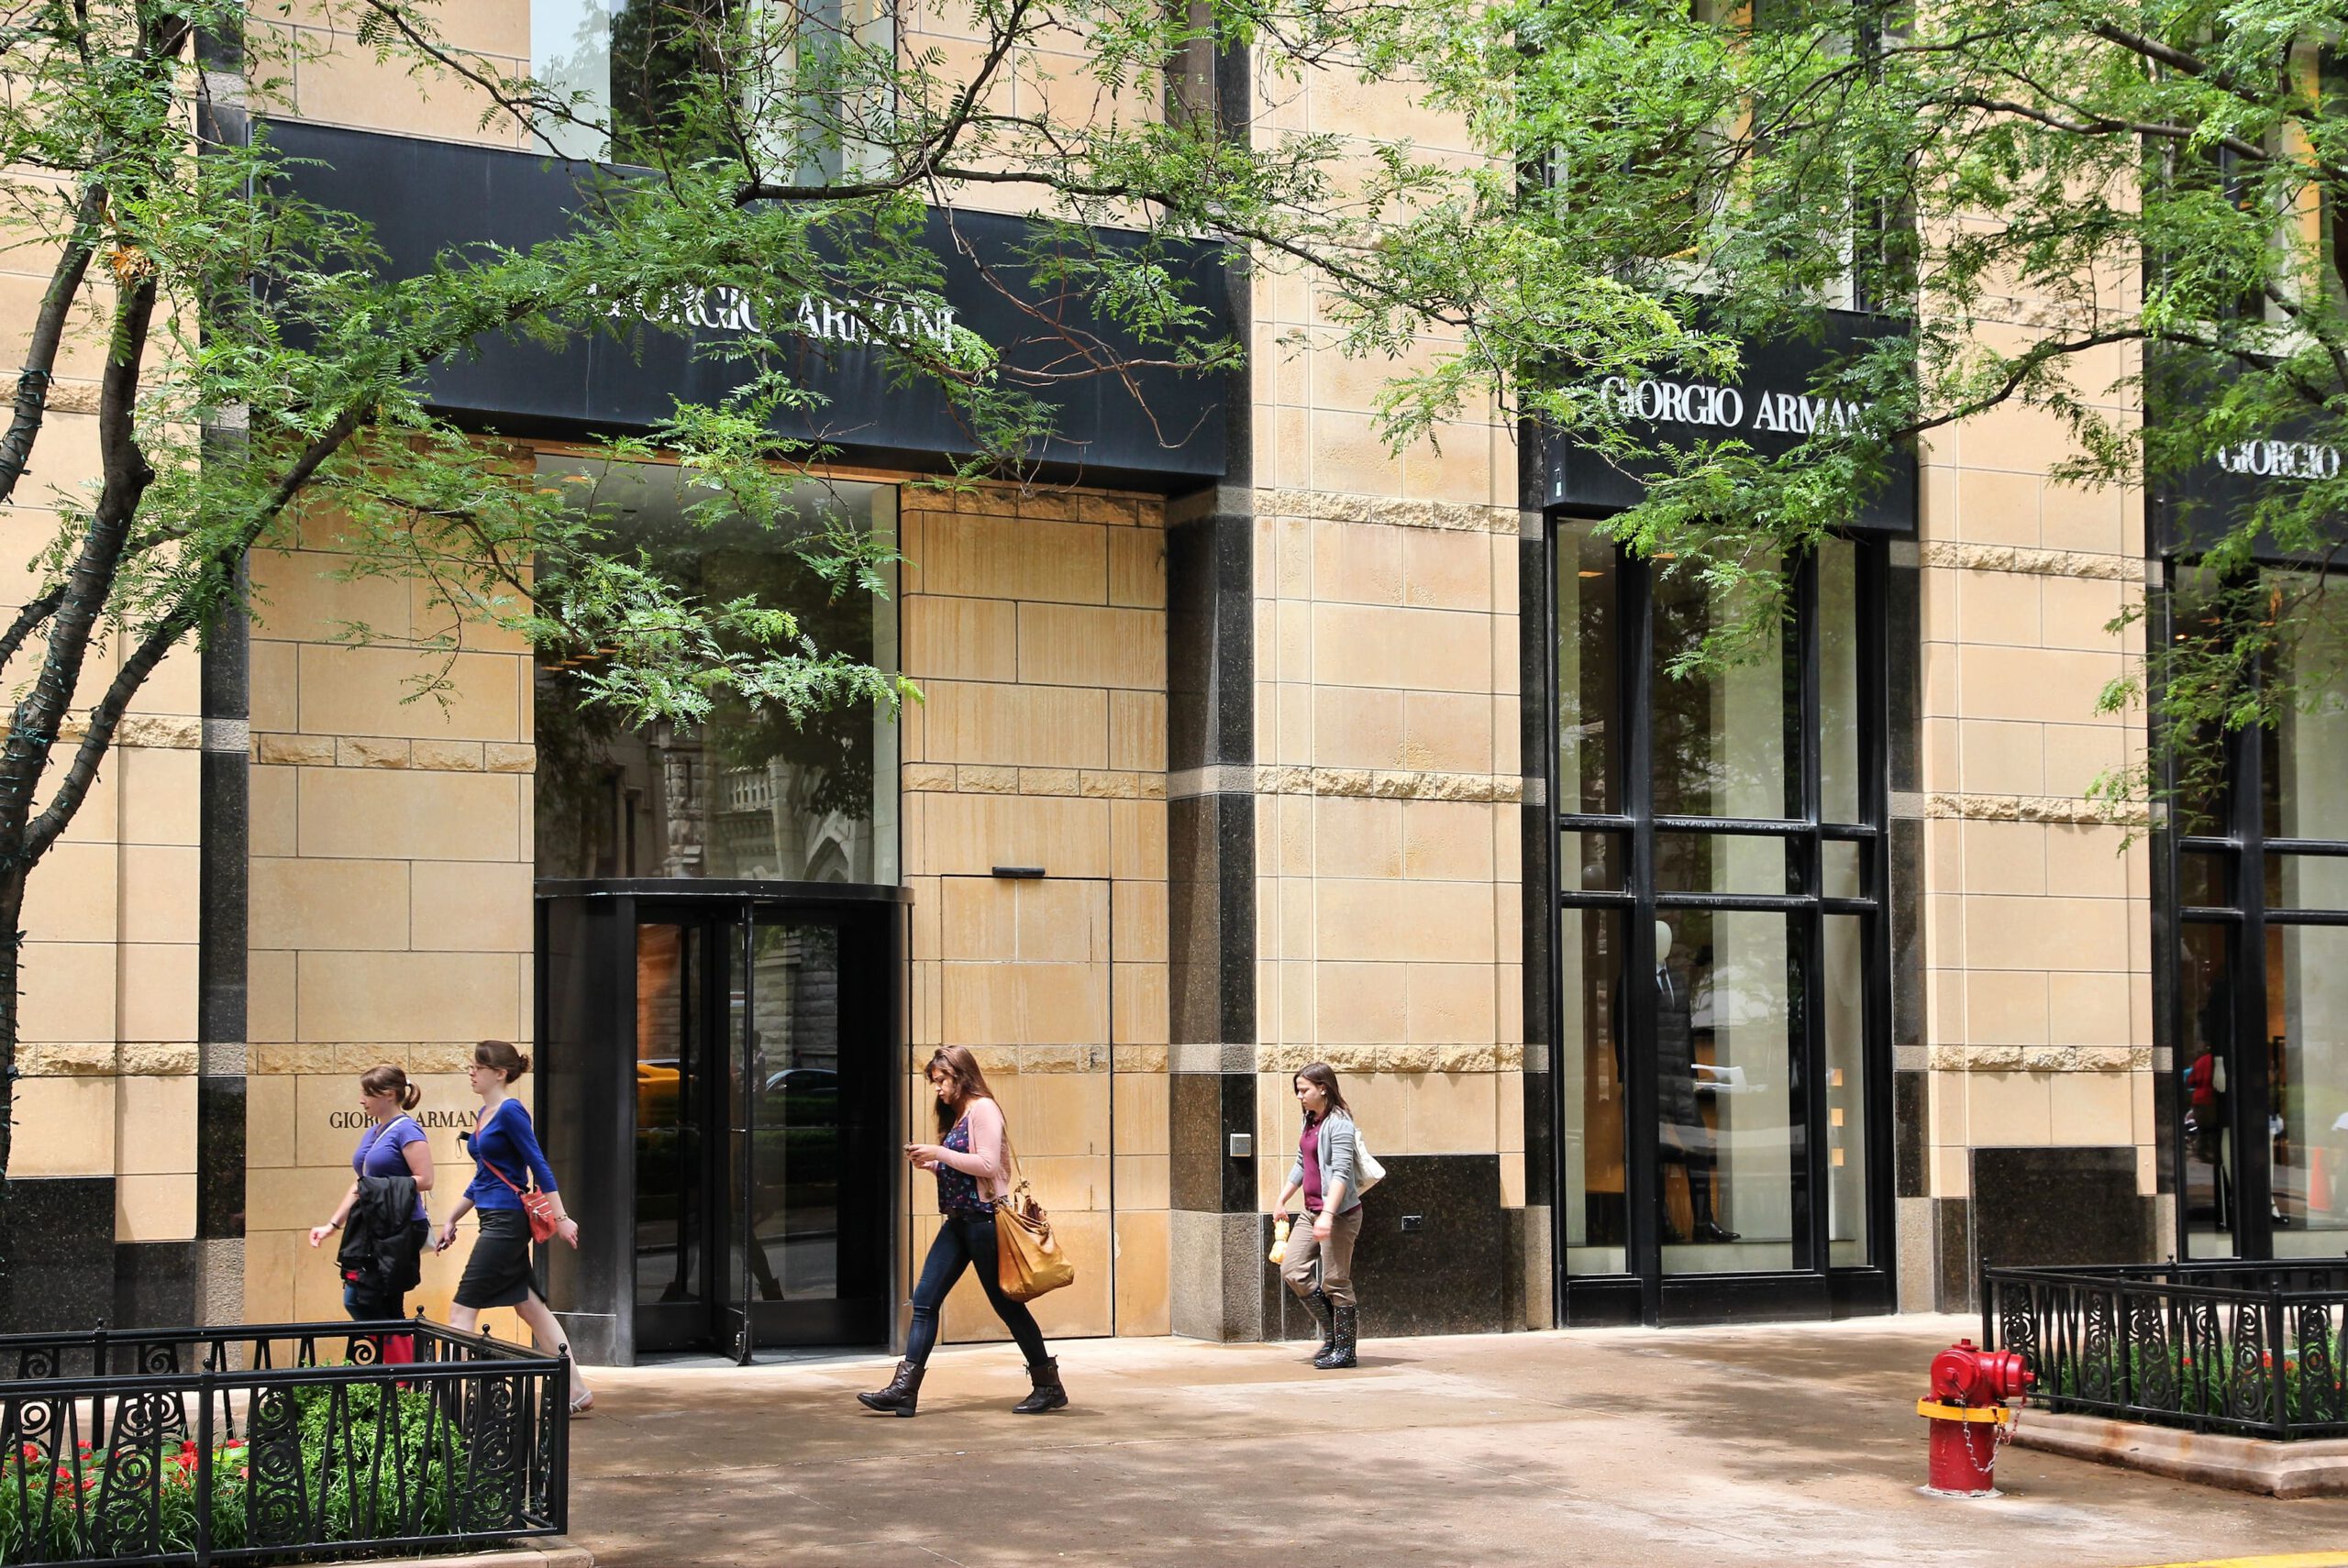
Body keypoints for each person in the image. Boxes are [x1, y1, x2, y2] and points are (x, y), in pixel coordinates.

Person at [858, 1045, 1065, 1418]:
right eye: (935, 1082)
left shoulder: (983, 1109)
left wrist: (938, 1153)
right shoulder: (961, 1114)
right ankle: (904, 1390)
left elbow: (987, 1165)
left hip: (984, 1222)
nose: (938, 1088)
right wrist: (932, 1165)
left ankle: (1048, 1385)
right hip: (958, 1222)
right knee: (924, 1301)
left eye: (942, 1080)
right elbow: (964, 1170)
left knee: (1007, 1305)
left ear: (961, 1076)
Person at [435, 1040, 594, 1415]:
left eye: (478, 1067)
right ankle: (577, 1391)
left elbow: (538, 1164)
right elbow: (482, 1179)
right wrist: (452, 1217)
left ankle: (451, 1407)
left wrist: (561, 1217)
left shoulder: (511, 1112)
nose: (471, 1072)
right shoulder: (485, 1113)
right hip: (493, 1218)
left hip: (506, 1223)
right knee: (530, 1307)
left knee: (461, 1311)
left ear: (500, 1073)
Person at [310, 1064, 434, 1333]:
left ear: (388, 1094)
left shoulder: (407, 1130)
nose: (361, 1100)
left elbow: (425, 1179)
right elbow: (361, 1184)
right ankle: (395, 1355)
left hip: (399, 1226)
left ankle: (400, 1357)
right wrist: (332, 1225)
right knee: (360, 1299)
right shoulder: (374, 1131)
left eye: (367, 1093)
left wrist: (376, 1188)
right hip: (374, 1226)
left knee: (376, 1300)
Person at [1271, 1062, 1366, 1370]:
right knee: (1292, 1269)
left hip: (1338, 1215)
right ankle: (1333, 1335)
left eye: (1304, 1090)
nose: (1299, 1096)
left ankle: (1345, 1350)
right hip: (1310, 1212)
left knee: (1335, 1281)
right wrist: (1282, 1198)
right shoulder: (1310, 1119)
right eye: (1298, 1091)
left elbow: (1341, 1173)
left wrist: (1327, 1214)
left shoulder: (1339, 1123)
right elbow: (1302, 1162)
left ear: (1323, 1088)